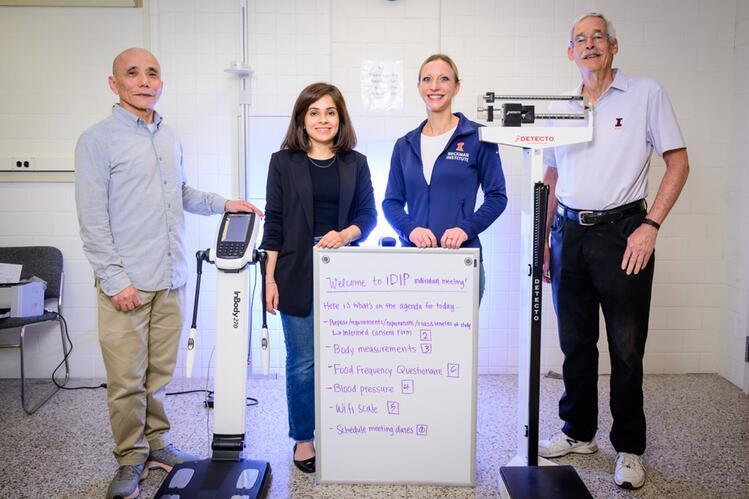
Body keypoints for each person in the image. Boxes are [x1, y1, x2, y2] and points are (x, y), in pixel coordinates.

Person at [75, 48, 263, 499]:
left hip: (170, 276)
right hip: (127, 282)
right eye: (133, 73)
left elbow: (179, 192)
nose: (144, 81)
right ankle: (129, 457)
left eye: (153, 73)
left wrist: (224, 204)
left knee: (158, 375)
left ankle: (157, 443)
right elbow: (92, 219)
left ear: (162, 82)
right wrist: (115, 279)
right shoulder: (96, 140)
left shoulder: (167, 135)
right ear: (113, 82)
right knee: (125, 379)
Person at [539, 13, 689, 490]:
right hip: (568, 233)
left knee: (626, 347)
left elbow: (679, 163)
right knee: (575, 343)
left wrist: (650, 227)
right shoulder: (561, 106)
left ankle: (629, 447)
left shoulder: (645, 93)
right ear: (570, 53)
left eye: (596, 37)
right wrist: (545, 239)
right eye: (579, 40)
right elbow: (552, 177)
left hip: (624, 231)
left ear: (613, 46)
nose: (589, 45)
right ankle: (579, 433)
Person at [260, 82, 377, 473]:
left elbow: (368, 216)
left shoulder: (356, 163)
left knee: (346, 359)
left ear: (340, 118)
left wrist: (345, 235)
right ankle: (304, 439)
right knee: (303, 361)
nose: (323, 119)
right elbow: (273, 224)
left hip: (343, 268)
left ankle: (347, 431)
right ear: (302, 119)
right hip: (295, 267)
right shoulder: (283, 162)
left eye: (330, 112)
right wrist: (269, 279)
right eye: (314, 112)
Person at [382, 54, 507, 300]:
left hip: (461, 259)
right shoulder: (404, 145)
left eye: (443, 79)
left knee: (458, 339)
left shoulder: (478, 137)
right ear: (419, 87)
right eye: (427, 79)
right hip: (413, 260)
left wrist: (465, 229)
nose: (435, 86)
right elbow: (391, 202)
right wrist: (409, 230)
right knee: (411, 338)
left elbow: (497, 197)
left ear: (456, 87)